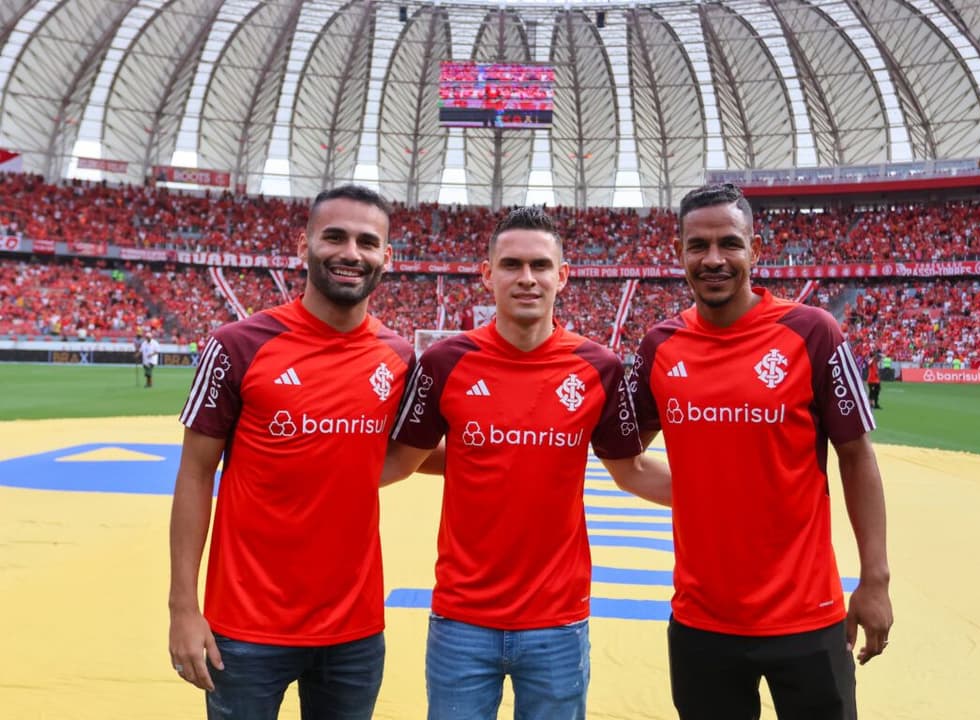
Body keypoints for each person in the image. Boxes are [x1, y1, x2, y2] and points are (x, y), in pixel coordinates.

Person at [381, 206, 670, 720]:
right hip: (461, 619)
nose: (527, 278)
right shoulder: (445, 362)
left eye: (540, 266)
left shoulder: (598, 368)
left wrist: (732, 493)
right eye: (512, 265)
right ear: (487, 274)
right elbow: (404, 459)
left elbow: (632, 470)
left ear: (562, 275)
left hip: (558, 622)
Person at [628, 183, 892, 720]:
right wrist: (703, 493)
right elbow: (621, 453)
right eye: (698, 246)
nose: (714, 259)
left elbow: (856, 456)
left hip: (809, 617)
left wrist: (875, 581)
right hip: (702, 621)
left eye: (729, 243)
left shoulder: (811, 332)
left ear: (755, 249)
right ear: (679, 253)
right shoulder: (660, 346)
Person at [168, 185, 414, 720]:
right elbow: (193, 475)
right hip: (244, 629)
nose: (351, 252)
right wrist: (183, 609)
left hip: (355, 630)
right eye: (335, 236)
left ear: (387, 257)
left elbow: (402, 453)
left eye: (367, 242)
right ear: (303, 245)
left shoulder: (399, 358)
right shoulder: (238, 345)